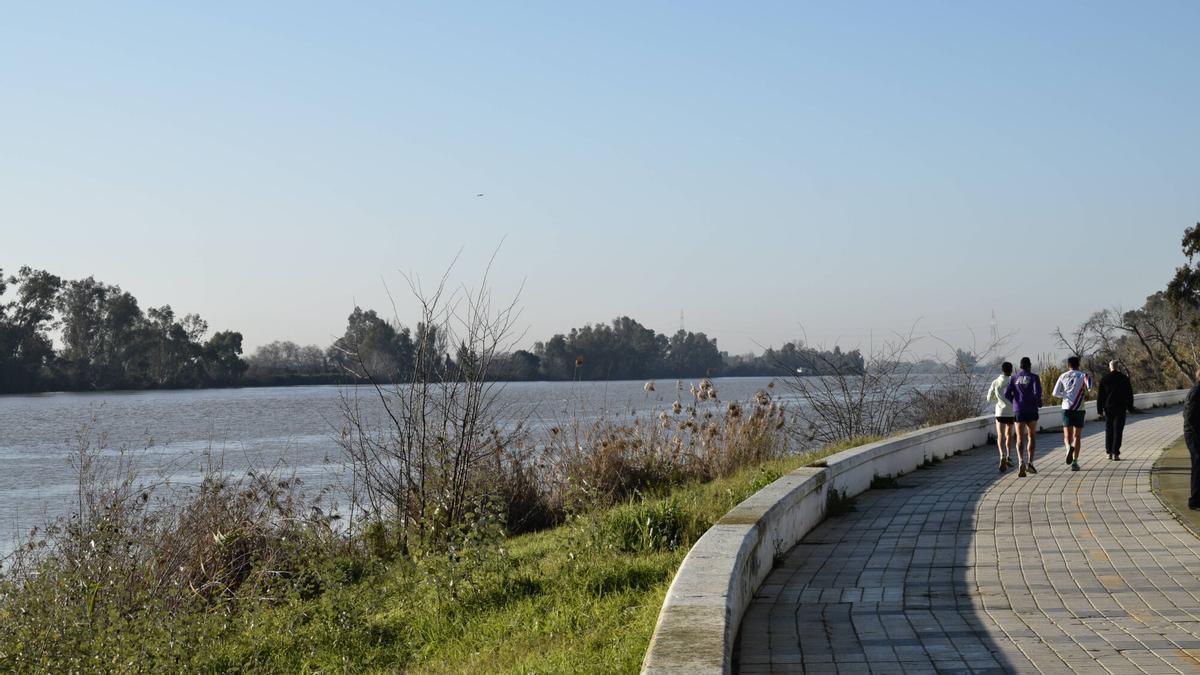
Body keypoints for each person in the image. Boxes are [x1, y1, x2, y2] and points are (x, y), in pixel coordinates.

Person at [1052, 355, 1092, 472]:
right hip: (1079, 408)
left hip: (1066, 408)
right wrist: (1084, 393)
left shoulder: (1063, 376)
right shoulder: (1083, 375)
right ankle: (1075, 462)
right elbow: (1090, 387)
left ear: (1068, 365)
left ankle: (1068, 448)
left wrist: (1065, 395)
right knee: (1077, 436)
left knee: (1066, 436)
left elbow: (1055, 393)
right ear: (1078, 365)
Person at [1005, 357, 1043, 477]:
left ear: (1020, 366)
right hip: (1031, 410)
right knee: (1031, 436)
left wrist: (1015, 401)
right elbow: (1038, 392)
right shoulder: (1034, 377)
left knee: (1019, 438)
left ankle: (1021, 461)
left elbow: (1007, 393)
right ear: (1029, 366)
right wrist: (1038, 402)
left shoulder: (1014, 378)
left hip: (1019, 410)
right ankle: (1030, 463)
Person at [1096, 360, 1134, 460]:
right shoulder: (1124, 378)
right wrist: (1130, 407)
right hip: (1121, 407)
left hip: (1108, 408)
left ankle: (1108, 452)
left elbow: (1100, 396)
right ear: (1117, 367)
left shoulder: (1105, 378)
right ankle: (1115, 452)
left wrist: (1099, 410)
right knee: (1118, 430)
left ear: (1110, 367)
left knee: (1109, 429)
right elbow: (1129, 394)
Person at [986, 361, 1016, 472]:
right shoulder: (1013, 381)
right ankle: (1009, 456)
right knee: (1009, 435)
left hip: (1000, 412)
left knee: (1000, 435)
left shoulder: (995, 382)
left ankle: (1002, 455)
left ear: (1002, 370)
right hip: (1011, 412)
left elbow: (989, 398)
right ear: (1011, 370)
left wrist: (998, 400)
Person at [1184, 370, 1200, 510]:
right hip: (1193, 434)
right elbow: (1189, 417)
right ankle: (1194, 500)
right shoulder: (1195, 393)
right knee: (1197, 463)